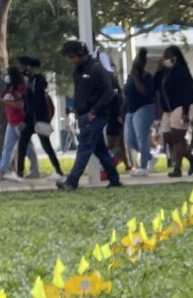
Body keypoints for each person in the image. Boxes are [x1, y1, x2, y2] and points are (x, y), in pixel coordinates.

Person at [58, 39, 122, 190]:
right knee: (99, 149)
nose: (71, 60)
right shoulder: (78, 71)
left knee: (84, 148)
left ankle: (72, 181)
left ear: (81, 54)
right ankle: (114, 178)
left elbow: (108, 93)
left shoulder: (96, 69)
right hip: (84, 115)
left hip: (96, 115)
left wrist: (95, 111)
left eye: (73, 57)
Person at [18, 56, 61, 177]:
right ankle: (58, 170)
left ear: (29, 66)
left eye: (22, 66)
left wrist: (25, 119)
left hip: (35, 118)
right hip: (35, 118)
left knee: (32, 145)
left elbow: (35, 102)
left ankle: (20, 172)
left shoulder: (36, 81)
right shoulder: (34, 80)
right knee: (29, 144)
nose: (21, 68)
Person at [158, 45, 193, 177]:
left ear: (174, 58)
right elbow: (155, 86)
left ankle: (178, 168)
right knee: (168, 137)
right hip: (167, 109)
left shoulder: (181, 71)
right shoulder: (165, 73)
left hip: (180, 106)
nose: (165, 59)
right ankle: (192, 158)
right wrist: (160, 70)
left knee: (178, 137)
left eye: (167, 57)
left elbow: (187, 91)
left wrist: (185, 111)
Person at [123, 46, 158, 174]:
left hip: (144, 108)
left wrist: (137, 77)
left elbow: (144, 92)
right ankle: (149, 157)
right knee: (129, 139)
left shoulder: (147, 76)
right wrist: (123, 110)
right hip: (130, 111)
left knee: (141, 137)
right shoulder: (130, 77)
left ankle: (143, 167)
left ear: (143, 64)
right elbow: (126, 94)